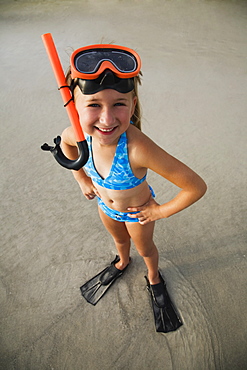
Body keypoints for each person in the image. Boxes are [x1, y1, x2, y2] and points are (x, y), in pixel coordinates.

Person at [60, 44, 207, 333]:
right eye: (93, 104)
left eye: (119, 103)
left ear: (133, 103)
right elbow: (65, 148)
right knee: (120, 243)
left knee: (146, 248)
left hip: (138, 214)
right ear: (73, 106)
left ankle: (153, 277)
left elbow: (195, 186)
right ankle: (122, 262)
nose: (107, 118)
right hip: (105, 207)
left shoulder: (138, 148)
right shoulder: (77, 136)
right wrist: (82, 180)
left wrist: (160, 211)